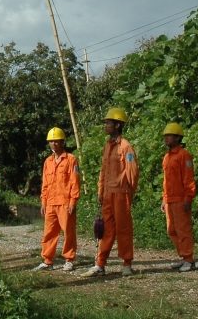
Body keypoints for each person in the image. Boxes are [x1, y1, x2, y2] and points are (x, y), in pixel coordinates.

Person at [84, 108, 139, 277]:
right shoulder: (107, 146)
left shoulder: (126, 147)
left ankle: (127, 264)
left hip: (121, 193)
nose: (105, 126)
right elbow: (103, 170)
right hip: (108, 194)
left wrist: (129, 193)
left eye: (108, 123)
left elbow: (132, 172)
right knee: (106, 230)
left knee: (124, 229)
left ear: (117, 125)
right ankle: (100, 264)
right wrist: (101, 191)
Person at [34, 127, 81, 272]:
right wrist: (43, 202)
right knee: (49, 233)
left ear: (62, 142)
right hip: (50, 203)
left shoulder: (71, 159)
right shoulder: (47, 162)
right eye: (51, 141)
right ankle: (47, 260)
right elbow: (45, 184)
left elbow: (75, 182)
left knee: (68, 232)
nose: (53, 144)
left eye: (56, 141)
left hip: (65, 203)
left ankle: (69, 260)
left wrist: (73, 202)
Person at [161, 122, 197, 272]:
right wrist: (164, 199)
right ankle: (183, 257)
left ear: (177, 137)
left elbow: (188, 178)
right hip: (170, 199)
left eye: (169, 135)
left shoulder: (184, 155)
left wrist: (188, 197)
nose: (166, 138)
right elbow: (166, 180)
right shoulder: (167, 157)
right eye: (165, 136)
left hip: (181, 200)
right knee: (172, 230)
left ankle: (189, 259)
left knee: (183, 230)